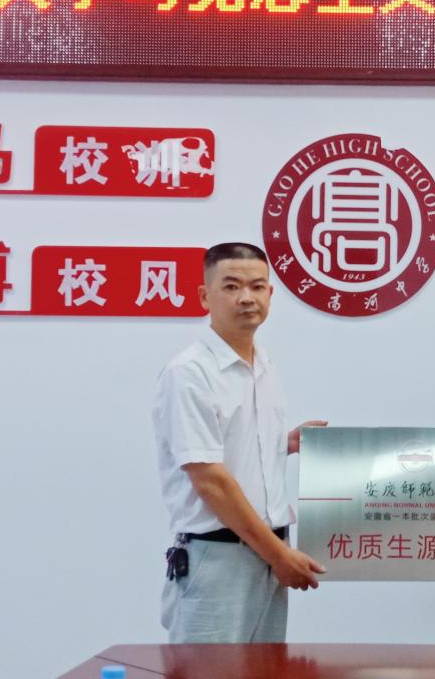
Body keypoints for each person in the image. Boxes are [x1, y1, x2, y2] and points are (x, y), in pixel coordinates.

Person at [152, 242, 327, 643]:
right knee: (209, 671)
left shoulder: (264, 364)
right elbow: (211, 480)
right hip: (219, 557)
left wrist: (285, 443)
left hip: (268, 554)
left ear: (270, 294)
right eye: (231, 286)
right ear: (204, 296)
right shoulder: (190, 373)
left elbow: (238, 448)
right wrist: (279, 556)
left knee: (265, 670)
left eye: (257, 286)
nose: (246, 298)